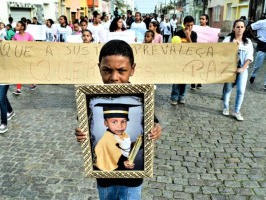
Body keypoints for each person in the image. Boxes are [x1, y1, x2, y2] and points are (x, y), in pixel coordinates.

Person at [75, 40, 162, 200]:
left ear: (132, 69)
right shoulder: (90, 98)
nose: (114, 77)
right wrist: (82, 134)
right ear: (99, 68)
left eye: (121, 70)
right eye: (107, 70)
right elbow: (87, 128)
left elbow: (151, 122)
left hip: (132, 178)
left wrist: (156, 129)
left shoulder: (141, 97)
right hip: (104, 177)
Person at [93, 103, 141, 171]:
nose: (120, 126)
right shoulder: (105, 142)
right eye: (114, 122)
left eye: (123, 121)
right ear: (106, 123)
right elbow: (108, 161)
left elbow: (126, 147)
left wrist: (138, 144)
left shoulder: (124, 135)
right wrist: (123, 164)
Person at [222, 20, 253, 121]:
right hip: (230, 70)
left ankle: (236, 111)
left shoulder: (247, 42)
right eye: (237, 27)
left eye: (241, 27)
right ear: (233, 28)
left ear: (244, 28)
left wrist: (242, 68)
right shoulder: (227, 40)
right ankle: (226, 107)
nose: (239, 29)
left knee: (241, 90)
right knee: (227, 89)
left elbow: (249, 57)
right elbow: (221, 54)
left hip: (242, 70)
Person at [170, 16, 197, 105]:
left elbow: (194, 48)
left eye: (191, 25)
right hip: (178, 60)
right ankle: (174, 96)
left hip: (188, 60)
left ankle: (181, 95)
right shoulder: (178, 33)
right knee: (177, 79)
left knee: (184, 80)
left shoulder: (194, 34)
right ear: (184, 24)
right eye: (187, 25)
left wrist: (188, 37)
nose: (189, 27)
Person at [11, 21, 37, 95]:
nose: (16, 27)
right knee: (19, 72)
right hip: (19, 57)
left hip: (27, 57)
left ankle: (33, 83)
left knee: (29, 71)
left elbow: (34, 45)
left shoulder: (29, 35)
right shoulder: (15, 36)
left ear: (22, 27)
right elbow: (12, 45)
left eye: (17, 25)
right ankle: (18, 89)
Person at [190, 13, 210, 90]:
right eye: (200, 19)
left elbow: (211, 38)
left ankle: (199, 81)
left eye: (203, 19)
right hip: (195, 49)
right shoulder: (195, 28)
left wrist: (217, 35)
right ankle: (192, 82)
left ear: (207, 20)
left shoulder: (209, 29)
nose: (201, 20)